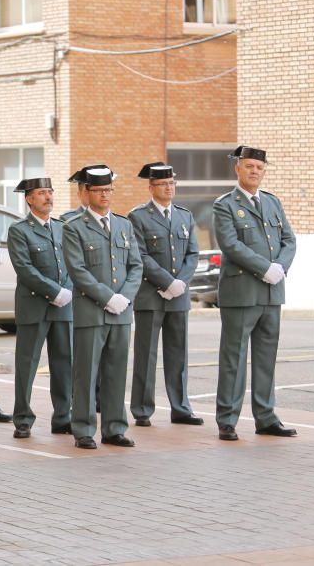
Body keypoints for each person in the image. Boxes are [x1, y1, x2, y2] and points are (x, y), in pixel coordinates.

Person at [214, 146, 298, 441]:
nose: (254, 172)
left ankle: (266, 417)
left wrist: (281, 267)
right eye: (249, 166)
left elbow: (289, 239)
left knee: (266, 358)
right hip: (241, 292)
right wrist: (265, 268)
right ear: (237, 168)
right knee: (233, 358)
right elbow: (231, 245)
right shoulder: (225, 204)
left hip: (272, 292)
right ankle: (227, 419)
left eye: (259, 168)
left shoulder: (273, 202)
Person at [61, 167, 142, 449]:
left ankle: (114, 428)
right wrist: (108, 298)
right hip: (92, 312)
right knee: (86, 372)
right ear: (85, 192)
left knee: (116, 371)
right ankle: (83, 428)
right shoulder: (73, 227)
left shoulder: (124, 225)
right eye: (99, 190)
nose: (105, 195)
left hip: (121, 312)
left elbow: (136, 266)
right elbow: (78, 270)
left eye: (109, 190)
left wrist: (126, 297)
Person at [128, 162, 203, 427]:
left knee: (178, 355)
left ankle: (181, 408)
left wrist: (180, 283)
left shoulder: (185, 215)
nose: (169, 188)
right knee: (146, 356)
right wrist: (166, 281)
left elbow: (193, 254)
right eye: (163, 184)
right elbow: (140, 255)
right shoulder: (138, 216)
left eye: (172, 183)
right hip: (151, 296)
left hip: (179, 296)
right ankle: (142, 410)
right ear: (151, 187)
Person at [7, 177, 73, 438]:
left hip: (63, 306)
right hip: (34, 306)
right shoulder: (19, 230)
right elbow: (24, 268)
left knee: (64, 364)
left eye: (50, 192)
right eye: (42, 193)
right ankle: (23, 419)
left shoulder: (62, 227)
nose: (48, 197)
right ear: (29, 198)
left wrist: (65, 291)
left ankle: (63, 417)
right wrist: (53, 291)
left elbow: (71, 262)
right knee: (27, 365)